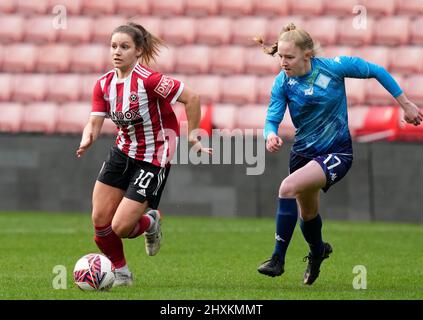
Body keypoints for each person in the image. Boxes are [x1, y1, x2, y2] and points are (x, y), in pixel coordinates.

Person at [255, 23, 422, 285]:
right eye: (280, 57)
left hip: (337, 153)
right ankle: (317, 251)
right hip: (302, 155)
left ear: (307, 54)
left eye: (289, 57)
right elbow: (271, 120)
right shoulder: (282, 83)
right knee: (308, 214)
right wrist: (270, 135)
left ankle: (277, 260)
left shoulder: (333, 67)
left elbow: (376, 71)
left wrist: (406, 104)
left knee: (286, 187)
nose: (283, 62)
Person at [76, 22, 212, 287]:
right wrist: (88, 136)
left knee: (122, 228)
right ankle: (123, 275)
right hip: (122, 151)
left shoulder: (150, 81)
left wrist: (193, 133)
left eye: (124, 47)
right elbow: (93, 122)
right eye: (114, 46)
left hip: (153, 156)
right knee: (100, 222)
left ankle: (150, 222)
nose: (117, 52)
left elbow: (192, 97)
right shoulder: (103, 84)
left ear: (138, 51)